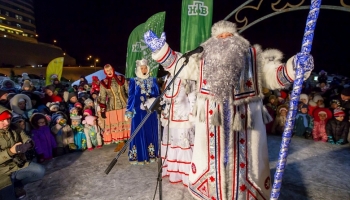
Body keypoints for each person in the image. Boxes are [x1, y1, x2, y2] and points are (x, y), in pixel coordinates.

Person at [144, 20, 314, 199]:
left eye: (228, 36)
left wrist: (294, 67)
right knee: (212, 180)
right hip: (212, 134)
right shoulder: (201, 61)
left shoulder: (253, 59)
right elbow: (180, 65)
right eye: (219, 37)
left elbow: (274, 75)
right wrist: (162, 51)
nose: (224, 39)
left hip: (244, 133)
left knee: (244, 183)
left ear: (237, 39)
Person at [0, 106, 45, 200]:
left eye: (8, 119)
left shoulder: (14, 127)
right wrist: (10, 152)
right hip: (2, 173)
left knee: (40, 171)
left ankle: (17, 185)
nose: (7, 123)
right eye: (2, 120)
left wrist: (28, 144)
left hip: (17, 165)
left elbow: (26, 138)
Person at [160, 72, 196, 185]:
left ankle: (187, 175)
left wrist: (192, 115)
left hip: (184, 119)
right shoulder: (168, 78)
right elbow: (166, 99)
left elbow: (193, 97)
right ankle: (174, 173)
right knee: (172, 144)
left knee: (183, 145)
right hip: (170, 118)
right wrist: (164, 111)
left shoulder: (186, 77)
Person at [125, 59, 159, 165]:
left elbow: (157, 94)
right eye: (142, 68)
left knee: (150, 131)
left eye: (145, 68)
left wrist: (151, 101)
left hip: (150, 110)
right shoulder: (133, 80)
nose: (144, 70)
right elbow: (131, 96)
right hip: (138, 110)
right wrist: (129, 110)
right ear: (138, 69)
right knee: (138, 132)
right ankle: (139, 156)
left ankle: (151, 155)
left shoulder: (153, 79)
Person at [99, 64, 130, 149]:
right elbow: (102, 97)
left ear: (113, 69)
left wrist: (132, 103)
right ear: (105, 72)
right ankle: (121, 142)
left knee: (128, 123)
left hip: (125, 105)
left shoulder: (121, 78)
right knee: (118, 125)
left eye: (110, 69)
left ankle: (130, 141)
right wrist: (102, 110)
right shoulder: (103, 82)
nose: (109, 72)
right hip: (113, 108)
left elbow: (128, 91)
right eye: (107, 70)